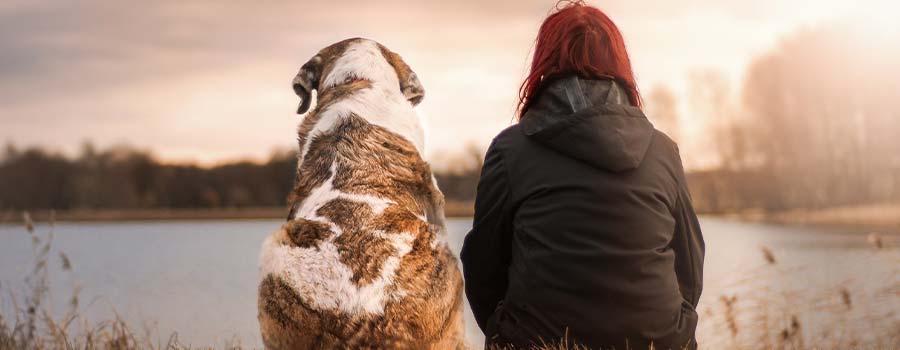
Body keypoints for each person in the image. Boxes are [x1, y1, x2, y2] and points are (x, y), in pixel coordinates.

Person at [460, 2, 705, 349]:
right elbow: (691, 266)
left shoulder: (510, 150)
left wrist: (504, 332)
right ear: (619, 64)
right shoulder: (663, 150)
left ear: (544, 64)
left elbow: (483, 268)